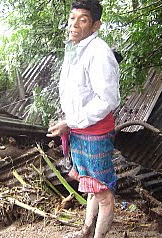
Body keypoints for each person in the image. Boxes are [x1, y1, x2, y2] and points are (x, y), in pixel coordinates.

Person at [47, 0, 120, 237]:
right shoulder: (75, 49)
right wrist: (69, 120)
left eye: (83, 19)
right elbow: (77, 93)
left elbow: (108, 99)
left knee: (103, 193)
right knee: (90, 185)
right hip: (79, 129)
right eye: (72, 18)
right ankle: (86, 230)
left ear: (96, 25)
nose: (74, 24)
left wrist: (71, 122)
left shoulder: (99, 53)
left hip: (94, 132)